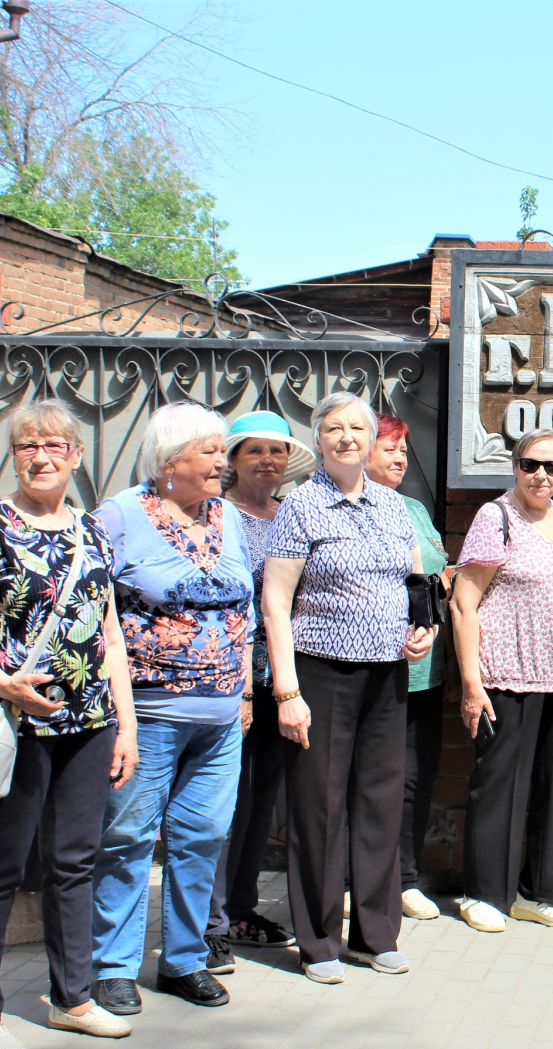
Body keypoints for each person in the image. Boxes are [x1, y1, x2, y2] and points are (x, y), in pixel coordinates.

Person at [0, 400, 139, 1049]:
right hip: (12, 721)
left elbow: (110, 636)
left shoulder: (95, 533)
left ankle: (72, 997)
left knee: (75, 862)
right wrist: (3, 683)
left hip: (87, 723)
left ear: (76, 456)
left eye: (55, 445)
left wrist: (126, 723)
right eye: (28, 446)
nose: (42, 456)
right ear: (15, 454)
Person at [263, 392, 435, 984]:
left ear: (370, 437)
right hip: (321, 671)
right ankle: (317, 943)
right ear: (319, 440)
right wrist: (286, 689)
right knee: (320, 807)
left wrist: (424, 632)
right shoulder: (302, 508)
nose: (346, 437)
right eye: (333, 428)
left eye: (356, 427)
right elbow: (276, 601)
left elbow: (416, 583)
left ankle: (375, 935)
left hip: (387, 674)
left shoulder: (394, 506)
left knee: (380, 804)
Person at [90, 402, 254, 1014]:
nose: (222, 461)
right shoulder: (120, 517)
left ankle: (183, 961)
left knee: (203, 835)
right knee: (128, 837)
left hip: (219, 717)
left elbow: (246, 612)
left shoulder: (227, 518)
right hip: (147, 716)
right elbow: (88, 611)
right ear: (168, 461)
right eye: (211, 450)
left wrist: (244, 690)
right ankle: (111, 967)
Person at [451, 428, 553, 934]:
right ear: (515, 466)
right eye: (531, 464)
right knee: (500, 784)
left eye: (552, 467)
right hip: (508, 673)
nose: (541, 475)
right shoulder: (496, 518)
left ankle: (541, 893)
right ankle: (483, 894)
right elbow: (463, 602)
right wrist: (472, 684)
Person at [202, 411, 316, 975]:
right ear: (232, 458)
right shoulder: (216, 516)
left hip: (282, 680)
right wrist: (244, 679)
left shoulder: (289, 514)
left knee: (258, 801)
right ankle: (208, 922)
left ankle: (240, 908)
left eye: (277, 452)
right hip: (232, 678)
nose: (267, 462)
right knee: (222, 803)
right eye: (255, 452)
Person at [367, 413, 451, 922]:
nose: (400, 459)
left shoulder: (415, 507)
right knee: (378, 779)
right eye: (389, 449)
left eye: (403, 450)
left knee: (417, 778)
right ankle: (368, 880)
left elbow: (433, 579)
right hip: (380, 667)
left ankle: (406, 879)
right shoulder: (357, 510)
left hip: (428, 669)